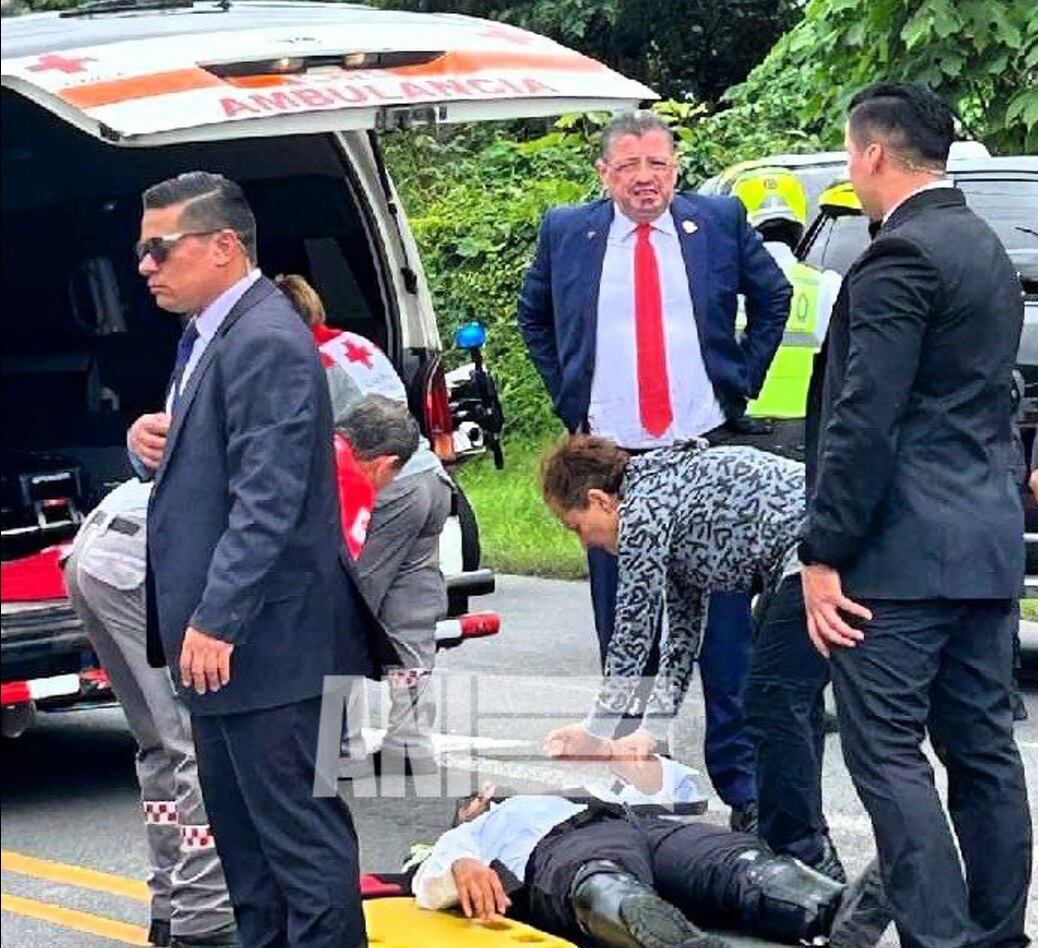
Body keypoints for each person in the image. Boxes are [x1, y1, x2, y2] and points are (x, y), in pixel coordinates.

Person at [127, 172, 390, 948]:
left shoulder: (266, 341)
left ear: (222, 246)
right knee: (249, 864)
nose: (145, 265)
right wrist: (148, 446)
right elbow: (213, 466)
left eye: (159, 247)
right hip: (229, 649)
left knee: (300, 852)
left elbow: (268, 500)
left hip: (266, 641)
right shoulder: (209, 332)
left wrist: (217, 617)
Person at [798, 82, 1032, 946]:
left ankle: (940, 937)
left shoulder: (899, 258)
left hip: (897, 556)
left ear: (871, 155)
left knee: (889, 753)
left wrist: (823, 550)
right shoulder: (985, 247)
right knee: (982, 753)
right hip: (984, 542)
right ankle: (1002, 934)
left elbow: (866, 418)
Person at [517, 110, 792, 830]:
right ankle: (633, 784)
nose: (646, 178)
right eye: (630, 166)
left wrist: (740, 380)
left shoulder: (720, 222)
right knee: (627, 631)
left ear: (677, 168)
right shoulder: (566, 233)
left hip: (700, 453)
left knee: (725, 640)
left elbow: (774, 299)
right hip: (616, 461)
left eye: (659, 164)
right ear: (605, 174)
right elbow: (534, 318)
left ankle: (746, 791)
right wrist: (570, 395)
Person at [535, 436, 857, 877]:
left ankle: (807, 859)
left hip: (811, 554)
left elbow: (633, 630)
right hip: (810, 552)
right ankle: (794, 838)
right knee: (784, 703)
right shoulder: (667, 507)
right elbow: (682, 638)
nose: (584, 543)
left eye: (576, 526)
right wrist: (650, 732)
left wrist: (595, 730)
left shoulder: (643, 512)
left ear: (600, 501)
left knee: (771, 702)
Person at [410, 755, 885, 948]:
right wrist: (462, 861)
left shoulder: (580, 785)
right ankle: (669, 938)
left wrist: (635, 763)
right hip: (563, 845)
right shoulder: (484, 826)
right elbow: (437, 870)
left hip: (640, 821)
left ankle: (832, 908)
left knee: (736, 863)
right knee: (602, 881)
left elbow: (682, 789)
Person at [277, 273, 454, 773]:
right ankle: (410, 743)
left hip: (381, 488)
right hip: (428, 481)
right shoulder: (357, 346)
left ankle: (340, 745)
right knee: (411, 618)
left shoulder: (303, 363)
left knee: (343, 612)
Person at [63, 479, 235, 948]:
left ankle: (169, 908)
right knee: (201, 743)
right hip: (140, 555)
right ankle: (206, 920)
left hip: (99, 546)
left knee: (159, 743)